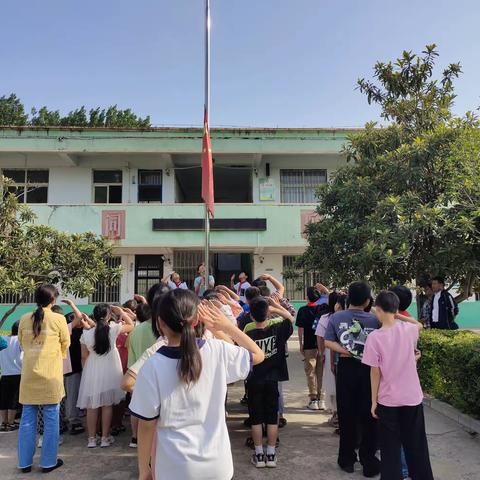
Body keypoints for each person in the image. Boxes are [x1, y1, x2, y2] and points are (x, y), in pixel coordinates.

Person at [129, 289, 264, 480]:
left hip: (174, 467)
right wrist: (225, 326)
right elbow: (258, 355)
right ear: (196, 321)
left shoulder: (152, 366)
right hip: (217, 465)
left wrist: (144, 470)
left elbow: (146, 425)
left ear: (159, 323)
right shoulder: (218, 350)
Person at [363, 291, 434, 480]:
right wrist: (398, 314)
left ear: (377, 310)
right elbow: (419, 325)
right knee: (417, 445)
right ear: (395, 310)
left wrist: (373, 401)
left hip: (388, 400)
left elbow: (375, 372)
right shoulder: (408, 330)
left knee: (390, 448)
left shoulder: (374, 338)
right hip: (412, 397)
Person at [324, 281, 381, 477]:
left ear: (348, 299)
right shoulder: (376, 320)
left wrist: (346, 351)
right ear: (367, 300)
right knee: (369, 415)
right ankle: (369, 461)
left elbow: (328, 341)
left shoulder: (337, 317)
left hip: (346, 370)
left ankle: (346, 460)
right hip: (369, 371)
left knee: (346, 414)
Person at [17, 284, 70, 473]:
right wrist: (55, 357)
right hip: (51, 376)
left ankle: (24, 463)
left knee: (27, 419)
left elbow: (23, 344)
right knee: (51, 418)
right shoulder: (59, 319)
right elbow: (65, 344)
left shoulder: (23, 319)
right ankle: (48, 462)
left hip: (29, 375)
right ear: (53, 300)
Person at [244, 296, 294, 468]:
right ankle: (271, 454)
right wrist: (275, 307)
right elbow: (289, 317)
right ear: (268, 314)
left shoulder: (247, 331)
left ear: (251, 315)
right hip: (272, 379)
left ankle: (259, 454)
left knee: (256, 418)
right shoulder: (278, 328)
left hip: (254, 379)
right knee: (272, 418)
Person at [76, 304, 134, 448]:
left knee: (92, 406)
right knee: (107, 405)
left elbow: (84, 356)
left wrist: (87, 373)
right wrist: (121, 312)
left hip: (92, 369)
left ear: (94, 317)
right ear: (109, 316)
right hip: (110, 369)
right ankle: (105, 437)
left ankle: (91, 439)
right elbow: (131, 325)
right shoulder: (113, 329)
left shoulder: (86, 334)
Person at [315, 292, 347, 425]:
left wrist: (321, 353)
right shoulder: (350, 318)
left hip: (331, 352)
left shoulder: (327, 318)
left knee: (332, 383)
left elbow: (320, 337)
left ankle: (336, 413)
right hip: (346, 354)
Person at [296, 286, 328, 410]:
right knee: (321, 372)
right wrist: (324, 289)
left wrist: (300, 344)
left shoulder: (303, 310)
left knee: (310, 372)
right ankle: (322, 399)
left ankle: (313, 399)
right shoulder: (323, 308)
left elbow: (300, 329)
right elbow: (332, 297)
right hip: (322, 345)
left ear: (307, 297)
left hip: (309, 345)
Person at [0, 321, 22, 432]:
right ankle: (11, 423)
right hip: (17, 374)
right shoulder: (19, 340)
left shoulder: (3, 339)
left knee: (3, 399)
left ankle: (4, 423)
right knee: (13, 400)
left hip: (4, 374)